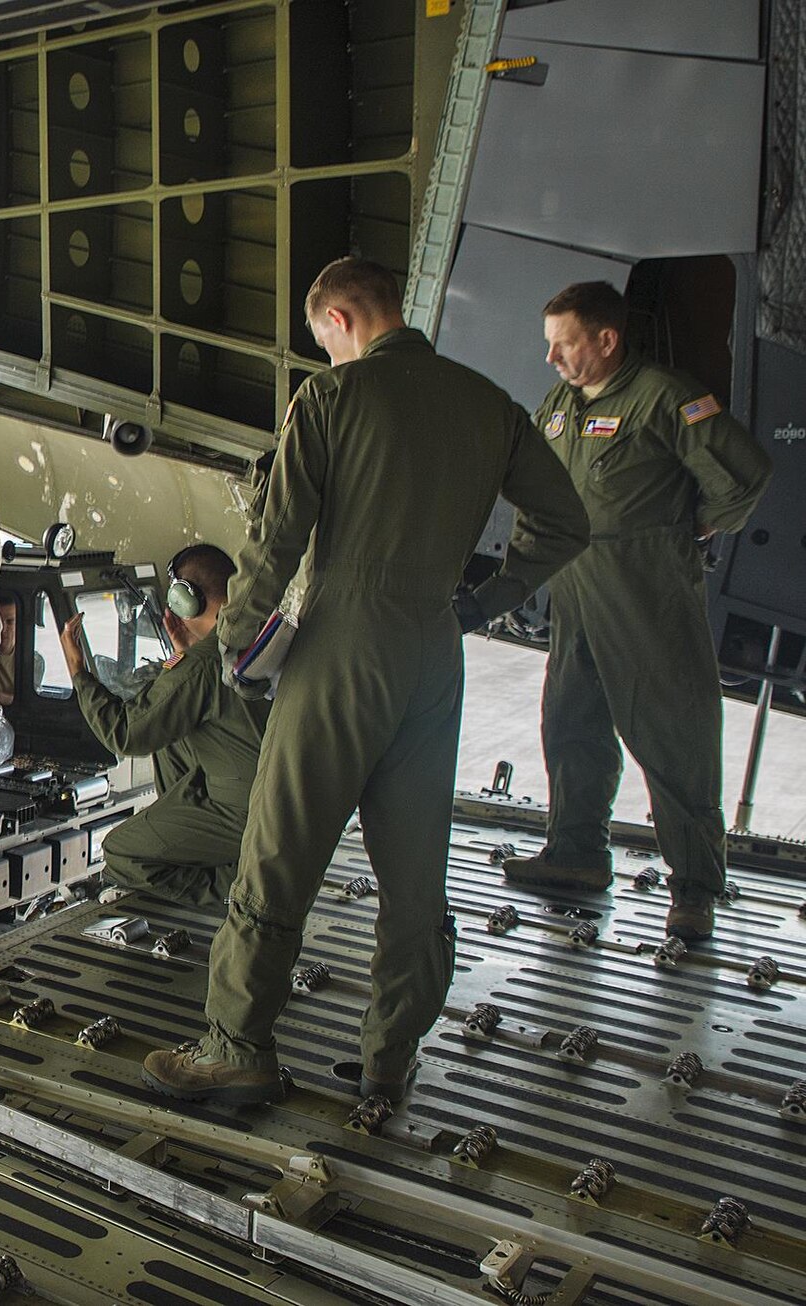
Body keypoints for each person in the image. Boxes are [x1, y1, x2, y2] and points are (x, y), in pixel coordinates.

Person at [140, 257, 590, 1106]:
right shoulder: (491, 406)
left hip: (345, 643)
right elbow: (567, 522)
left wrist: (232, 649)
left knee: (279, 853)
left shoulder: (333, 398)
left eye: (324, 342)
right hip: (434, 650)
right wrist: (482, 601)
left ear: (340, 322)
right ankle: (390, 1057)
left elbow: (274, 547)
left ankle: (238, 1045)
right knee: (417, 870)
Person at [501, 282, 772, 943]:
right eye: (549, 345)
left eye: (563, 344)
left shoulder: (664, 397)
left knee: (672, 738)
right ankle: (576, 855)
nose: (552, 359)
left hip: (646, 593)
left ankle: (696, 889)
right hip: (577, 589)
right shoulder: (561, 406)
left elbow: (743, 476)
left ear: (606, 339)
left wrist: (697, 526)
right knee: (572, 721)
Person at [57, 544, 268, 907]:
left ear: (185, 599)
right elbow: (170, 712)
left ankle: (237, 886)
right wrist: (183, 655)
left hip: (243, 812)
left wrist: (78, 671)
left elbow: (125, 733)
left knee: (121, 853)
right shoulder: (253, 640)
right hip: (274, 798)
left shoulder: (202, 665)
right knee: (171, 735)